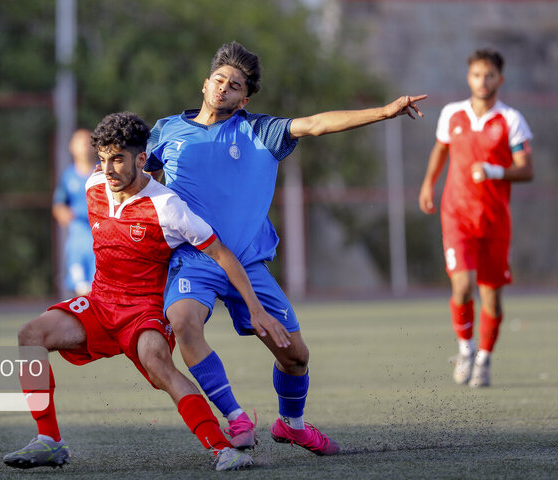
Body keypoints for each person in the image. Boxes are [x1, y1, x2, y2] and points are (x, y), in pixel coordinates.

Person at [145, 41, 426, 455]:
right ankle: (236, 418)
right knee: (185, 324)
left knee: (296, 358)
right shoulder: (166, 130)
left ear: (245, 99)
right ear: (205, 84)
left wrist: (383, 112)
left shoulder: (259, 131)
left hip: (248, 264)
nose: (224, 88)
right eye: (219, 80)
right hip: (194, 258)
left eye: (235, 85)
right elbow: (134, 178)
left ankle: (291, 425)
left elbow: (315, 124)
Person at [3, 112, 286, 471]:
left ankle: (221, 448)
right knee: (30, 335)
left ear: (141, 159)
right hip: (100, 304)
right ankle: (49, 441)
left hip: (144, 312)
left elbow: (222, 254)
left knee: (159, 364)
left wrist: (255, 307)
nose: (108, 168)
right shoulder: (93, 187)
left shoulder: (167, 206)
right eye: (103, 158)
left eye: (118, 158)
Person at [419, 49, 533, 388]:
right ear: (468, 77)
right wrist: (428, 184)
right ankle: (465, 350)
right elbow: (441, 149)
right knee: (463, 285)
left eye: (489, 75)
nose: (482, 81)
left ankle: (484, 358)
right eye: (476, 75)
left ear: (500, 79)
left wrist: (496, 170)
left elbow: (527, 170)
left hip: (495, 221)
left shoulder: (510, 120)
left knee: (493, 298)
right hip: (457, 215)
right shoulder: (452, 114)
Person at [52, 129, 98, 296]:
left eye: (87, 142)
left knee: (97, 289)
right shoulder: (68, 176)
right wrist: (61, 212)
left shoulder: (101, 174)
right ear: (72, 147)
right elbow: (58, 204)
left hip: (99, 239)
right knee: (81, 290)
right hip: (77, 241)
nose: (84, 146)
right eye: (80, 142)